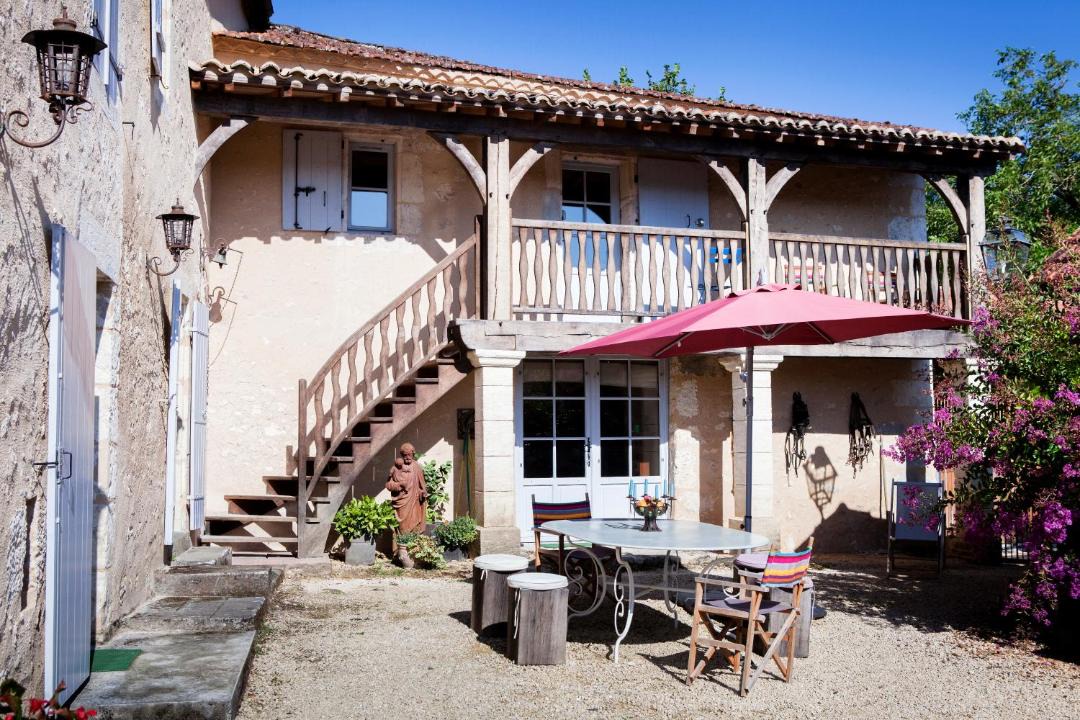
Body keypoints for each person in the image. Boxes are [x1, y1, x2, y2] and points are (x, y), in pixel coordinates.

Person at [385, 442, 427, 533]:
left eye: (409, 455)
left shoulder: (417, 467)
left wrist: (422, 492)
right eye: (405, 455)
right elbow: (388, 484)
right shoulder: (397, 467)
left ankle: (413, 541)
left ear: (413, 454)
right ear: (401, 455)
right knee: (402, 528)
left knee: (414, 526)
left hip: (414, 502)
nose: (407, 457)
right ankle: (402, 541)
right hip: (401, 502)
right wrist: (399, 485)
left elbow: (422, 486)